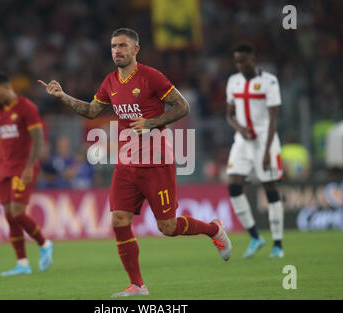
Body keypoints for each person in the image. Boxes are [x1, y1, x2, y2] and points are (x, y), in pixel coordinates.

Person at [39, 28, 232, 297]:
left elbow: (182, 107)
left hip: (156, 161)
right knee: (119, 219)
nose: (117, 50)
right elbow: (92, 111)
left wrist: (153, 122)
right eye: (113, 46)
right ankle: (138, 285)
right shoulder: (109, 82)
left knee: (168, 227)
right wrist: (63, 96)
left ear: (135, 49)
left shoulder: (151, 77)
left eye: (122, 45)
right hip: (127, 162)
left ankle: (214, 230)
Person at [0, 73, 53, 276]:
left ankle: (45, 243)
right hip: (5, 167)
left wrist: (30, 167)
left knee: (18, 212)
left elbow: (39, 139)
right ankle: (22, 264)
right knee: (9, 215)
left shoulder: (26, 107)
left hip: (23, 166)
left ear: (6, 88)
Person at [225, 43, 285, 258]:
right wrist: (239, 128)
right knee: (233, 185)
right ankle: (255, 236)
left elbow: (274, 118)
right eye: (237, 61)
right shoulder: (233, 82)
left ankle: (278, 244)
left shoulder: (269, 81)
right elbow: (229, 115)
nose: (240, 65)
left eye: (243, 61)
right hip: (242, 141)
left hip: (264, 141)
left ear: (253, 60)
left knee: (270, 187)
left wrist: (268, 149)